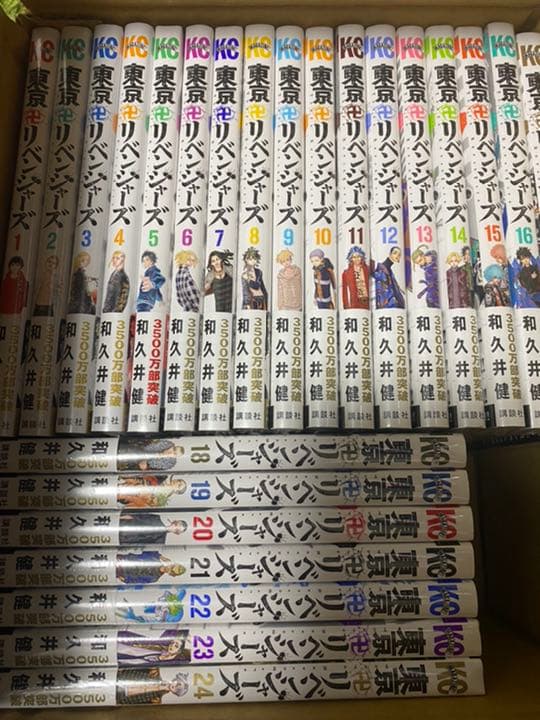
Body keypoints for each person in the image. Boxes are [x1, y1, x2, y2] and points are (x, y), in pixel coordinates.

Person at [117, 628, 190, 665]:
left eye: (176, 646)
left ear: (179, 651)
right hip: (121, 648)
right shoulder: (159, 648)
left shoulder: (174, 662)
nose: (172, 646)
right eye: (172, 643)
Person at [116, 667, 189, 704]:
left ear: (175, 692)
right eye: (178, 683)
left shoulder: (156, 699)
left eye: (178, 690)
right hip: (120, 678)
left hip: (120, 697)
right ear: (175, 679)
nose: (175, 687)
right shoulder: (155, 673)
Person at [116, 550, 186, 584]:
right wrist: (162, 557)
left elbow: (138, 580)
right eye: (172, 566)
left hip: (122, 572)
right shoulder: (155, 557)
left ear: (171, 574)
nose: (169, 569)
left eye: (172, 571)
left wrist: (126, 580)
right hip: (123, 559)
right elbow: (146, 550)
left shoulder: (154, 578)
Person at [117, 476, 187, 509]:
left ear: (176, 491)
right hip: (133, 483)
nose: (177, 482)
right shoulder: (162, 478)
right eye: (179, 481)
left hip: (135, 496)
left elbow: (147, 503)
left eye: (179, 485)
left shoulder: (163, 499)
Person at [118, 513, 188, 544]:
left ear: (176, 533)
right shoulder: (156, 518)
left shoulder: (160, 541)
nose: (173, 527)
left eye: (176, 530)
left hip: (122, 539)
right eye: (176, 524)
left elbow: (140, 545)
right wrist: (118, 518)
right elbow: (135, 516)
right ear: (174, 521)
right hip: (121, 524)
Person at [117, 438, 183, 472]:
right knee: (138, 452)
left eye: (174, 454)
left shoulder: (170, 463)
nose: (171, 452)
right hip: (139, 449)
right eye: (174, 449)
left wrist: (145, 466)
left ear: (175, 457)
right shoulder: (168, 443)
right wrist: (159, 454)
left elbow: (153, 466)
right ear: (173, 446)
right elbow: (148, 447)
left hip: (140, 465)